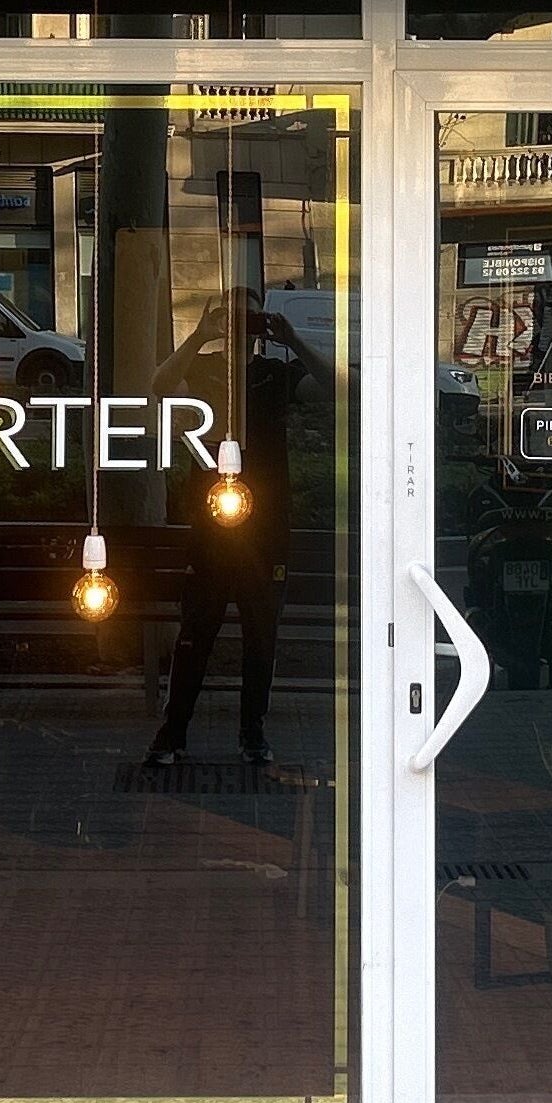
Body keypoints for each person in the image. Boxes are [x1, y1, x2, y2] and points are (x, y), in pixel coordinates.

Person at [143, 293, 319, 768]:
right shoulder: (204, 370)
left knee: (261, 637)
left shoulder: (274, 375)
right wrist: (201, 335)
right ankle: (173, 731)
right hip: (212, 529)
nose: (242, 324)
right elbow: (159, 384)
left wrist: (294, 340)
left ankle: (252, 734)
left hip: (265, 531)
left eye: (250, 316)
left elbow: (336, 389)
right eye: (232, 314)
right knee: (194, 633)